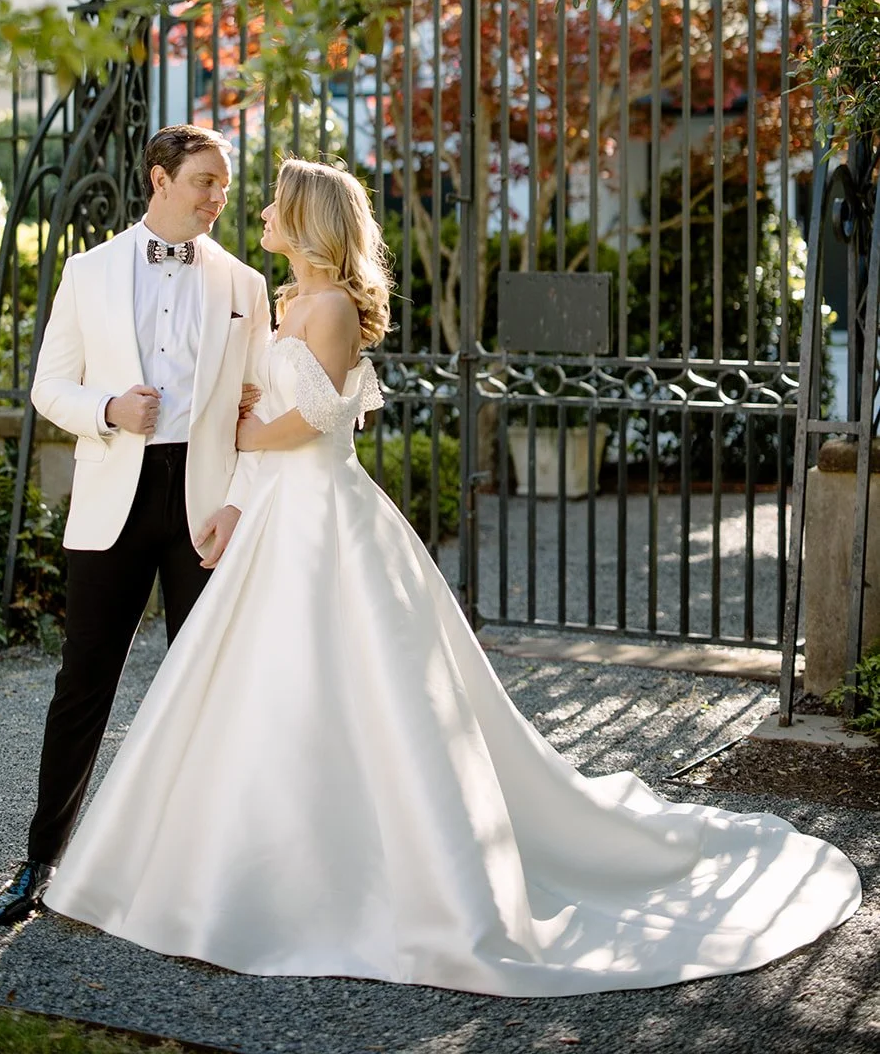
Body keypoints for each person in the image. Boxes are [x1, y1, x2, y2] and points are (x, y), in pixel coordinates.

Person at [43, 158, 860, 995]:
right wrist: (239, 493)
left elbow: (323, 418)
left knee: (357, 683)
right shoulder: (276, 299)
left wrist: (239, 441)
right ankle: (226, 860)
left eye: (271, 205)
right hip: (274, 512)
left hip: (327, 516)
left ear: (306, 217)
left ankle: (367, 873)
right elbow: (272, 404)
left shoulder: (324, 308)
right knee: (254, 685)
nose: (255, 211)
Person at [0, 123, 270, 926]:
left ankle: (205, 869)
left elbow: (261, 407)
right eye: (206, 181)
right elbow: (48, 388)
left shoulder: (246, 285)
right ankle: (41, 859)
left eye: (223, 181)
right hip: (114, 498)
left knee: (205, 687)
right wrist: (108, 408)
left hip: (202, 507)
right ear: (160, 179)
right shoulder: (90, 270)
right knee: (83, 687)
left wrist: (237, 500)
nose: (220, 196)